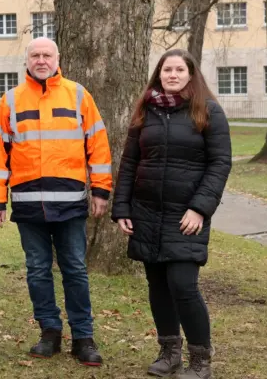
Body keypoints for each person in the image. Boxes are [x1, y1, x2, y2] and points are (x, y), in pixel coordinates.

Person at [0, 37, 112, 367]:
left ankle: (83, 337)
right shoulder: (11, 101)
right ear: (27, 60)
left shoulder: (79, 95)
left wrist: (100, 190)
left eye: (47, 55)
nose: (41, 60)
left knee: (74, 269)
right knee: (37, 271)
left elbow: (98, 145)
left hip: (71, 205)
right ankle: (49, 333)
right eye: (35, 55)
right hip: (28, 206)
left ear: (58, 58)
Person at [112, 49, 231, 379]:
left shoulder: (208, 111)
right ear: (159, 74)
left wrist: (200, 208)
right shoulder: (145, 111)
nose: (173, 75)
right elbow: (130, 162)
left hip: (186, 215)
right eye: (167, 69)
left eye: (180, 69)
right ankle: (169, 353)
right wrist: (122, 206)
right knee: (158, 285)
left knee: (183, 285)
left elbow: (220, 164)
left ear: (191, 75)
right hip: (147, 213)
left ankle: (201, 360)